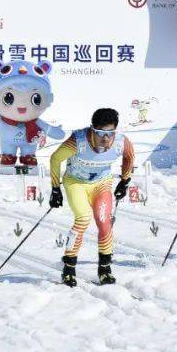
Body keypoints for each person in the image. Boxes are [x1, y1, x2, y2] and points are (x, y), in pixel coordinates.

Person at [48, 108, 134, 287]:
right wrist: (55, 188)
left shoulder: (121, 142)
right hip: (76, 182)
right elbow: (55, 159)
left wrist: (125, 181)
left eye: (110, 133)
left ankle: (105, 269)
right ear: (92, 129)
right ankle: (69, 268)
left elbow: (129, 157)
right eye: (100, 133)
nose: (105, 138)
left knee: (104, 222)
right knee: (83, 218)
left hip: (101, 183)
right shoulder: (78, 141)